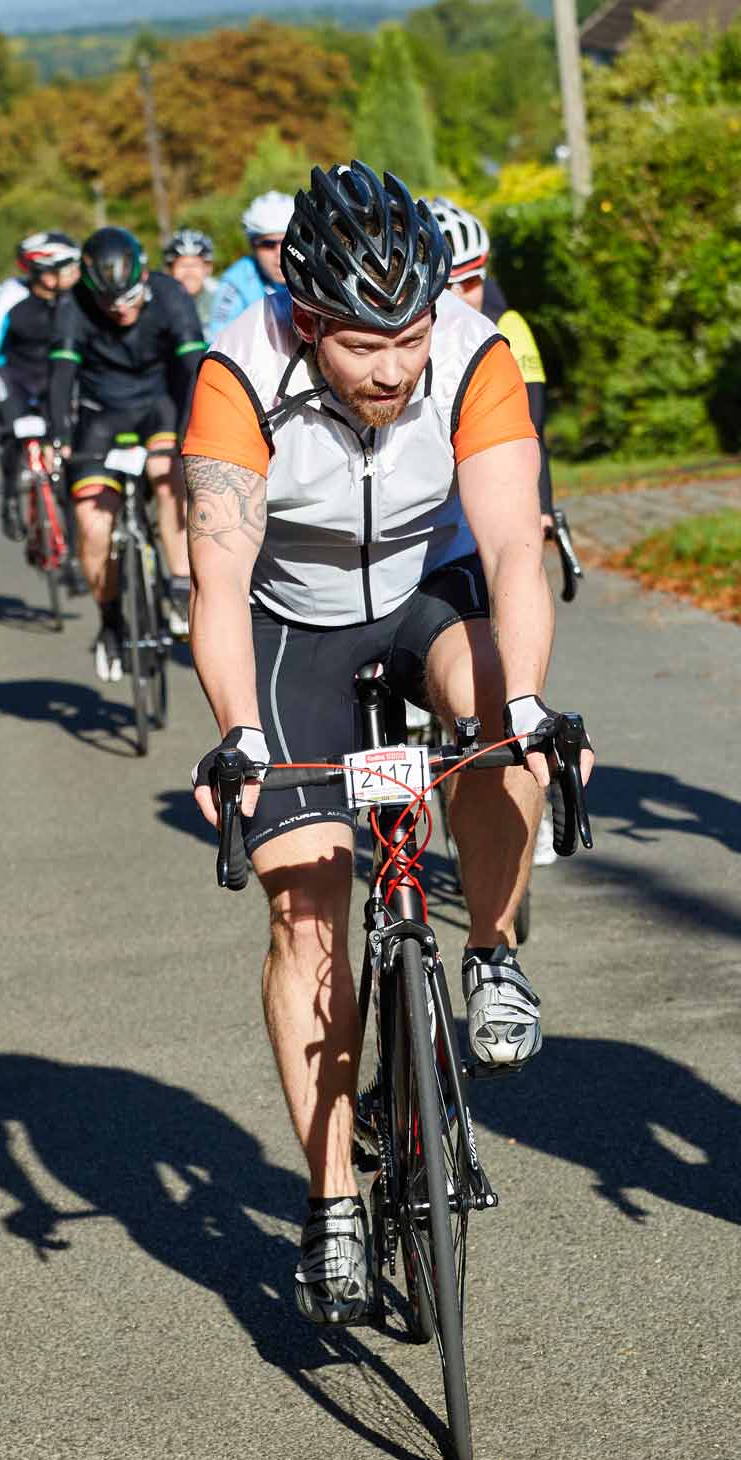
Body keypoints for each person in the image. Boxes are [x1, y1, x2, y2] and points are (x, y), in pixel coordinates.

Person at [180, 161, 588, 1323]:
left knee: (499, 726)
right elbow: (214, 589)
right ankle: (330, 1205)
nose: (396, 367)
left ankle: (495, 954)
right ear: (306, 320)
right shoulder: (237, 375)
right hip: (284, 626)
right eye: (365, 346)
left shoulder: (472, 349)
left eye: (410, 335)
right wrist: (242, 738)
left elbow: (513, 547)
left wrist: (525, 707)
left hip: (421, 591)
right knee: (306, 899)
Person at [425, 194, 563, 864]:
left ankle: (522, 754)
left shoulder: (507, 323)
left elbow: (529, 428)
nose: (464, 294)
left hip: (489, 490)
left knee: (510, 623)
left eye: (474, 279)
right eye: (452, 282)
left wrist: (539, 507)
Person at [49, 227, 208, 680]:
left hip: (161, 405)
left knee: (167, 470)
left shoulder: (169, 293)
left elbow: (193, 367)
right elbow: (60, 377)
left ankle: (179, 584)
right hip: (101, 414)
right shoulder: (73, 305)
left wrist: (189, 433)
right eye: (108, 304)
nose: (120, 310)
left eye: (130, 299)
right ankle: (110, 621)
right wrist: (58, 438)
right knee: (93, 525)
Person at [0, 230, 81, 524]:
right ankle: (10, 498)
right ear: (45, 273)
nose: (75, 275)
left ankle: (68, 520)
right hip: (15, 376)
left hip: (55, 378)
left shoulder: (75, 299)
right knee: (12, 429)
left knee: (67, 445)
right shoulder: (11, 296)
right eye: (67, 269)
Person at [207, 190, 294, 337]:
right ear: (253, 247)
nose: (279, 252)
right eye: (268, 244)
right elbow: (218, 340)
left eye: (288, 242)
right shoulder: (236, 281)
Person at [163, 227, 217, 337]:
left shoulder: (220, 296)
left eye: (195, 265)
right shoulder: (159, 299)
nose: (189, 272)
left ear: (208, 268)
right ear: (169, 270)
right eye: (182, 265)